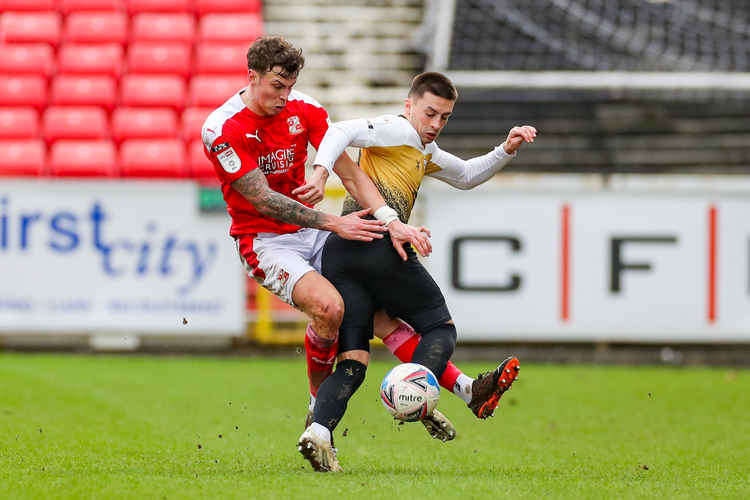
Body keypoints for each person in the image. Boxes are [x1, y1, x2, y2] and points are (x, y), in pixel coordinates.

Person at [201, 36, 465, 442]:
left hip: (315, 228)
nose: (285, 96)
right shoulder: (222, 128)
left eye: (290, 86)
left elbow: (353, 175)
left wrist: (389, 220)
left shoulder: (304, 109)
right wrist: (334, 223)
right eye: (276, 86)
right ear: (251, 77)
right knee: (329, 308)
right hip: (266, 240)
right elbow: (262, 200)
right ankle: (316, 404)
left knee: (378, 313)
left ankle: (444, 392)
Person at [298, 72, 535, 472]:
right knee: (441, 329)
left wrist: (505, 150)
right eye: (430, 113)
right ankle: (416, 392)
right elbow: (339, 129)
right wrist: (321, 171)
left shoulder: (423, 150)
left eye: (444, 117)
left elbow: (465, 176)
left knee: (354, 363)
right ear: (409, 106)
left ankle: (318, 432)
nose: (435, 124)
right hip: (378, 241)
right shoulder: (397, 129)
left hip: (343, 253)